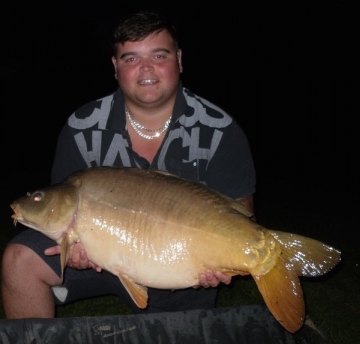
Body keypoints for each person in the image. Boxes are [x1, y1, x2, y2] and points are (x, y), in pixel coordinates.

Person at [1, 10, 256, 318]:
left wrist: (226, 260)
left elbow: (243, 212)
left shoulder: (220, 131)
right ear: (115, 66)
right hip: (97, 258)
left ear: (179, 59)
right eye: (131, 58)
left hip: (175, 263)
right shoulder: (83, 127)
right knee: (19, 260)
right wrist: (76, 249)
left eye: (158, 55)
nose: (146, 68)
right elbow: (64, 213)